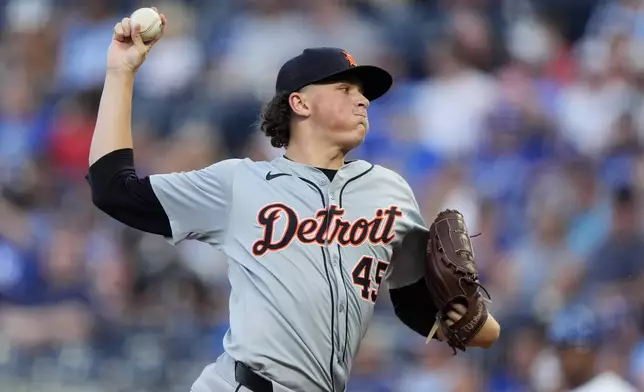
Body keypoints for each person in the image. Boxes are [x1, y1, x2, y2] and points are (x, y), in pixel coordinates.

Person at [86, 9, 500, 392]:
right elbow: (113, 189)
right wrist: (120, 74)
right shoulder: (241, 182)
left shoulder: (389, 191)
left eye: (363, 93)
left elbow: (413, 301)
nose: (361, 100)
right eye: (344, 88)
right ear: (299, 103)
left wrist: (471, 325)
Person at [548, 305, 637, 392]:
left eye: (572, 348)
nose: (566, 358)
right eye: (562, 350)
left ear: (592, 351)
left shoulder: (612, 388)